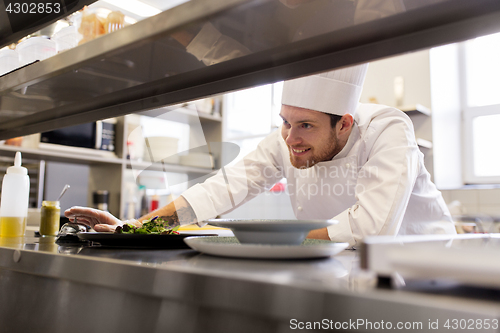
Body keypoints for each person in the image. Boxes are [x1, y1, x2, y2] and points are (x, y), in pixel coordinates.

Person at [65, 63, 456, 248]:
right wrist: (135, 229)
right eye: (285, 122)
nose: (291, 138)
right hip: (347, 267)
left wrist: (253, 238)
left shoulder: (388, 129)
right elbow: (220, 189)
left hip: (430, 273)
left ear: (344, 124)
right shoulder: (284, 139)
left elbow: (371, 228)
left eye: (305, 126)